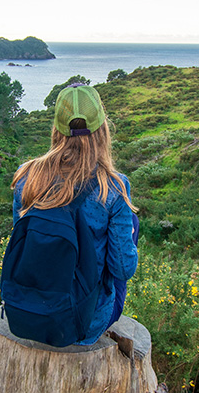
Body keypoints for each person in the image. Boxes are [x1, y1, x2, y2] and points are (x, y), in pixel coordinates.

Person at [11, 84, 139, 345]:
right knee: (131, 223)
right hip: (86, 324)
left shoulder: (27, 176)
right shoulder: (113, 187)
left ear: (56, 129)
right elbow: (123, 270)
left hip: (30, 312)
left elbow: (20, 244)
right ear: (102, 129)